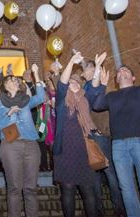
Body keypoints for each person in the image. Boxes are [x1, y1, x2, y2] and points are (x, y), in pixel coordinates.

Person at [93, 51, 140, 217]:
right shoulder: (112, 96)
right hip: (119, 146)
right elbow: (96, 105)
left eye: (126, 70)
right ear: (117, 80)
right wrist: (102, 85)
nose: (122, 71)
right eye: (119, 72)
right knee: (126, 187)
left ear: (133, 78)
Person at [53, 52, 108, 217]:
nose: (74, 82)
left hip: (83, 148)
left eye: (77, 80)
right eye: (71, 81)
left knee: (87, 188)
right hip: (65, 149)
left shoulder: (85, 98)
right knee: (68, 188)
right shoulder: (62, 99)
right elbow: (61, 84)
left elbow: (95, 87)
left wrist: (97, 67)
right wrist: (71, 61)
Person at [0, 64, 45, 217]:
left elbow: (41, 97)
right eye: (11, 79)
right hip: (10, 146)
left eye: (16, 79)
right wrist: (9, 114)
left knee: (31, 188)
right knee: (15, 188)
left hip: (31, 145)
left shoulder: (26, 101)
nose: (15, 80)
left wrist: (36, 74)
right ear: (5, 85)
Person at [80, 57, 125, 217]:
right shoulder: (86, 85)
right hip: (90, 135)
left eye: (84, 69)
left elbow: (95, 97)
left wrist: (98, 68)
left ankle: (119, 209)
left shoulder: (97, 85)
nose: (82, 73)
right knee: (95, 174)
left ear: (92, 70)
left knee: (109, 172)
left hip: (99, 134)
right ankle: (99, 211)